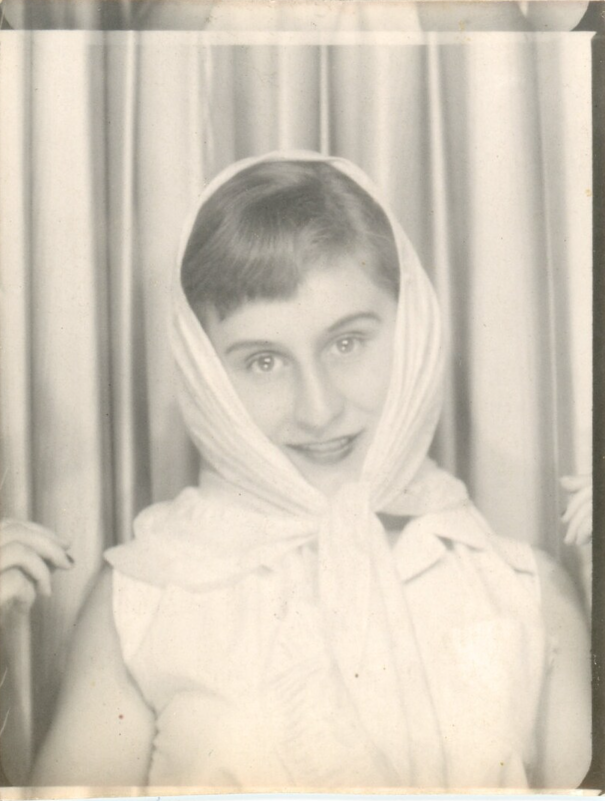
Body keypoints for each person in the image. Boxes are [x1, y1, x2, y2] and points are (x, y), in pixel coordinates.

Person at [7, 152, 591, 789]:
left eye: (347, 342)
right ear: (205, 377)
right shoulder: (143, 600)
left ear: (414, 328)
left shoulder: (526, 591)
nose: (319, 409)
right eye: (263, 361)